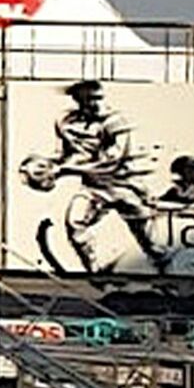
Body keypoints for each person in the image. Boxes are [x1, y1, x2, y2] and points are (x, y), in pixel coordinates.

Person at [49, 80, 168, 272]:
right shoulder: (68, 123)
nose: (96, 103)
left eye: (98, 98)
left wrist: (67, 169)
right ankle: (94, 271)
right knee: (74, 223)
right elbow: (66, 154)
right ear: (78, 100)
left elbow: (112, 160)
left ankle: (167, 272)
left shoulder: (116, 121)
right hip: (94, 188)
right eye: (89, 99)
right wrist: (49, 167)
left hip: (124, 185)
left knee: (150, 242)